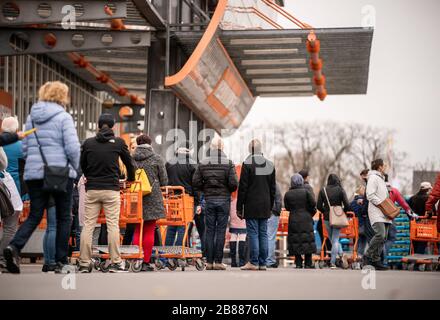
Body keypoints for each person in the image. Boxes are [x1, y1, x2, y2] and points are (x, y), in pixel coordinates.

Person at [4, 81, 80, 274]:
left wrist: (35, 166)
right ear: (62, 95)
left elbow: (27, 148)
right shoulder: (64, 117)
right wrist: (74, 167)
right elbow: (72, 148)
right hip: (60, 173)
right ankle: (61, 261)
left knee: (36, 215)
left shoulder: (32, 117)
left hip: (34, 173)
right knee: (64, 216)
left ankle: (14, 247)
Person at [79, 113, 135, 273]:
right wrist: (130, 179)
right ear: (113, 126)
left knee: (88, 225)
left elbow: (83, 164)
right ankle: (116, 262)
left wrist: (90, 176)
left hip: (93, 190)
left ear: (98, 125)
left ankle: (84, 262)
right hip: (111, 189)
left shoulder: (88, 143)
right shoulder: (118, 143)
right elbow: (129, 164)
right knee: (112, 225)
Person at [193, 135, 238, 270]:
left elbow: (195, 183)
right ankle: (218, 262)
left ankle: (209, 261)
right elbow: (234, 184)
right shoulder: (229, 163)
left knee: (209, 230)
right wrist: (227, 190)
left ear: (211, 148)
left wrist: (204, 192)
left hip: (209, 200)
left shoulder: (203, 163)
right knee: (220, 231)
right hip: (223, 200)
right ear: (222, 147)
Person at [237, 139, 276, 271]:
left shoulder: (247, 164)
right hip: (265, 205)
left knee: (253, 233)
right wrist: (271, 206)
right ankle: (262, 263)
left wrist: (239, 207)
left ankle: (253, 262)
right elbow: (273, 189)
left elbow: (242, 188)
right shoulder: (270, 165)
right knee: (263, 233)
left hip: (251, 205)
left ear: (250, 150)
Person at [132, 134, 168, 272]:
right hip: (152, 197)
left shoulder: (131, 159)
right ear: (150, 144)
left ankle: (136, 259)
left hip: (135, 197)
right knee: (149, 229)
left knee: (137, 229)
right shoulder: (157, 158)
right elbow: (164, 181)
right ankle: (146, 262)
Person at [0, 118, 23, 271]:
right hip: (9, 187)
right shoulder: (21, 146)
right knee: (10, 224)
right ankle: (3, 257)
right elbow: (4, 163)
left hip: (6, 185)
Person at [165, 140, 197, 247]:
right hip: (186, 199)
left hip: (172, 198)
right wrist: (197, 202)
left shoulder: (169, 163)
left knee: (171, 225)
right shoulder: (192, 164)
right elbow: (196, 184)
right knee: (183, 226)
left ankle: (166, 253)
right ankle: (179, 252)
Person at [317, 173, 351, 269]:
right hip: (337, 217)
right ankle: (333, 262)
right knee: (335, 239)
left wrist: (326, 211)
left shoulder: (323, 190)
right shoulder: (340, 190)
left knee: (333, 239)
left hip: (327, 218)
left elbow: (318, 206)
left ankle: (340, 255)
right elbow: (347, 205)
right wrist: (342, 212)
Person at [363, 159, 391, 270]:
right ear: (379, 167)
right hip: (377, 211)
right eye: (384, 166)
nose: (385, 168)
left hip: (385, 212)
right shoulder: (373, 178)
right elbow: (370, 195)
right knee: (380, 234)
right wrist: (382, 204)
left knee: (384, 237)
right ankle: (367, 256)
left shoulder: (381, 178)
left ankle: (375, 260)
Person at [284, 174, 317, 269]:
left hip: (294, 218)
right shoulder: (306, 192)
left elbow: (287, 207)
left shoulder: (288, 194)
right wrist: (309, 211)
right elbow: (313, 203)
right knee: (307, 239)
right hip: (306, 218)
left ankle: (298, 263)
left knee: (296, 240)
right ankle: (308, 263)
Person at [408, 182, 432, 254]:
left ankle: (415, 258)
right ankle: (419, 261)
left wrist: (411, 218)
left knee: (414, 241)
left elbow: (408, 211)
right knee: (423, 241)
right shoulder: (428, 199)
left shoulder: (412, 198)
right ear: (427, 189)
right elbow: (432, 212)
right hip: (425, 224)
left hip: (414, 223)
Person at [229, 186, 247, 268]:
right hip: (243, 221)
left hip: (233, 221)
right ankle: (241, 261)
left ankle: (233, 261)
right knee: (242, 239)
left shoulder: (232, 200)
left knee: (233, 238)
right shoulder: (245, 200)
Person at [266, 183, 282, 268]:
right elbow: (278, 198)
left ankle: (263, 259)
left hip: (262, 212)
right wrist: (277, 211)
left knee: (263, 236)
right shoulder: (274, 185)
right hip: (273, 212)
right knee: (271, 237)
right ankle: (270, 260)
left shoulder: (260, 183)